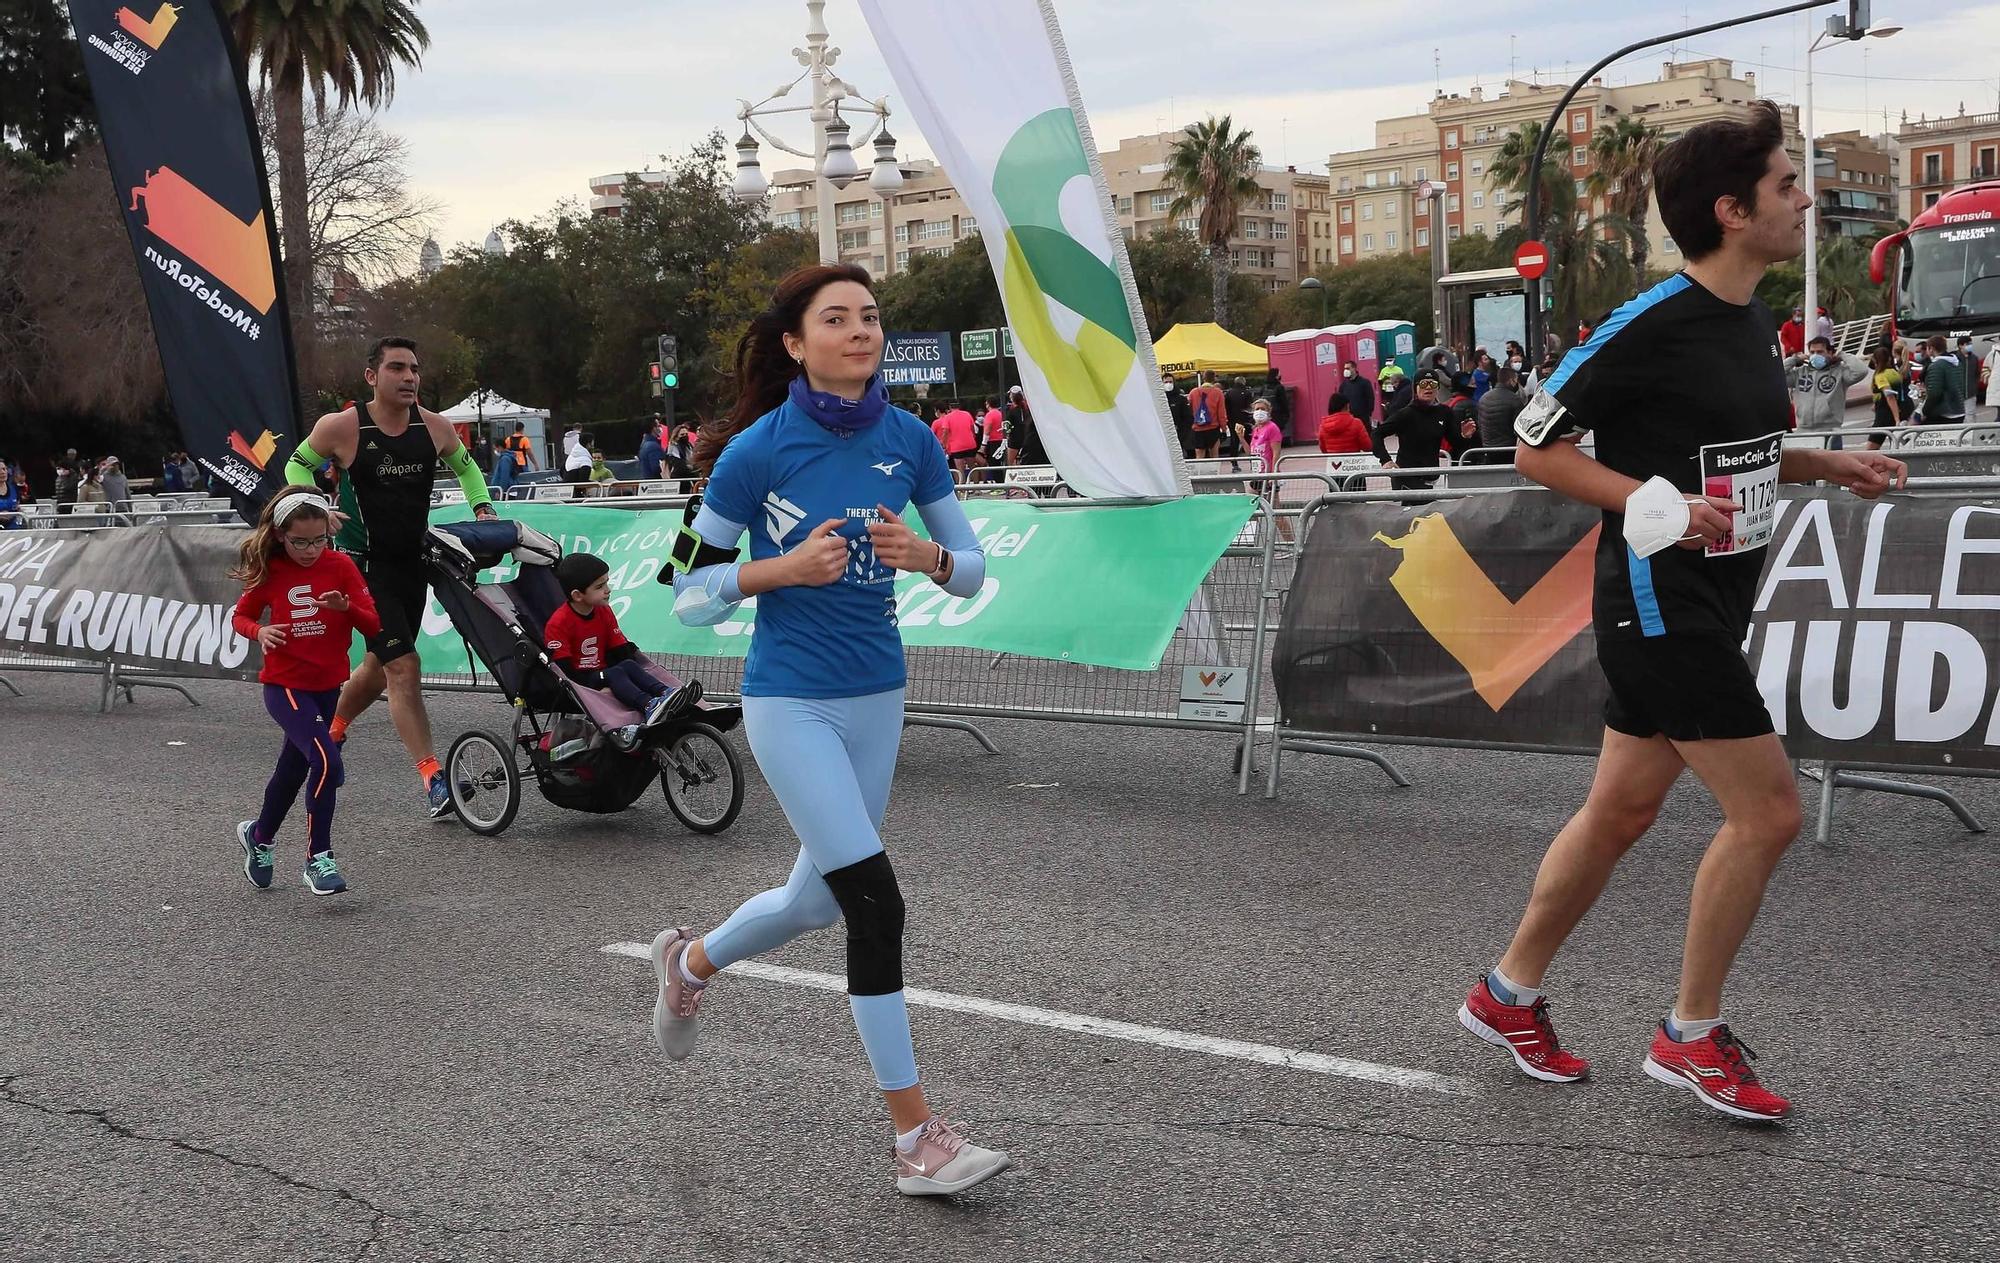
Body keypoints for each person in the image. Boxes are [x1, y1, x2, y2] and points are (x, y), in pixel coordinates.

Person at [1479, 100, 1906, 1122]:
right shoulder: (1647, 322)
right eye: (1784, 184)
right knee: (1765, 813)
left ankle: (1505, 995)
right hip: (1656, 600)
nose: (1802, 198)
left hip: (1715, 593)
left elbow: (1725, 449)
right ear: (1728, 209)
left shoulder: (1750, 313)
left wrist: (1820, 460)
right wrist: (1653, 509)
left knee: (1620, 810)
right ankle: (1688, 1034)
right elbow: (1534, 449)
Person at [655, 262, 1009, 1196]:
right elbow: (685, 593)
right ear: (795, 342)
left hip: (877, 696)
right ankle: (916, 1139)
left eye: (872, 317)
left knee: (816, 901)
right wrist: (776, 571)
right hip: (791, 700)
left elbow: (971, 568)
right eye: (837, 318)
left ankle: (689, 961)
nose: (861, 331)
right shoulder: (755, 453)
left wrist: (928, 556)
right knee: (876, 904)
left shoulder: (910, 438)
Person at [283, 335, 500, 818]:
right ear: (372, 377)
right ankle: (434, 777)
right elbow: (297, 464)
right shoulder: (344, 426)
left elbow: (467, 469)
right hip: (361, 568)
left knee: (381, 666)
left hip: (410, 565)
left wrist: (482, 506)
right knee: (405, 667)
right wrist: (316, 505)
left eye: (415, 369)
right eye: (397, 368)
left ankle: (333, 732)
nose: (409, 378)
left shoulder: (435, 427)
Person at [229, 488, 380, 896]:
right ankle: (318, 858)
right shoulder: (272, 568)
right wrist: (260, 631)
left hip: (329, 685)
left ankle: (259, 838)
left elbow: (373, 625)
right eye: (300, 542)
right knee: (328, 764)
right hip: (286, 686)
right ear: (280, 535)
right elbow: (240, 616)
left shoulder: (341, 565)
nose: (311, 550)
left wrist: (345, 607)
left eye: (319, 540)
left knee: (293, 770)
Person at [545, 552, 692, 738]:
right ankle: (648, 705)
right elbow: (564, 669)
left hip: (602, 673)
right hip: (580, 680)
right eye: (600, 586)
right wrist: (595, 690)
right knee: (615, 672)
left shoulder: (604, 611)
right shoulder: (559, 622)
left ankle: (666, 693)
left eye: (606, 582)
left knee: (629, 664)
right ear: (578, 595)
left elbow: (620, 649)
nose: (608, 589)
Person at [1372, 373, 1452, 488]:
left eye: (1433, 384)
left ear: (1438, 388)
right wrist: (1385, 460)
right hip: (1407, 478)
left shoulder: (1444, 412)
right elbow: (1377, 433)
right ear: (1415, 389)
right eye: (1423, 384)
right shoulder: (1406, 414)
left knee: (1431, 505)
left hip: (1431, 477)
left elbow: (1454, 439)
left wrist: (1465, 436)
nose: (1428, 388)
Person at [1784, 336, 1868, 439]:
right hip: (1803, 431)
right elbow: (1776, 374)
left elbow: (1861, 371)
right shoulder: (1800, 373)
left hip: (1830, 432)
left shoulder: (1840, 372)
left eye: (1820, 352)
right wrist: (1794, 359)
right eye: (1812, 352)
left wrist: (1842, 355)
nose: (1815, 355)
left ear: (1830, 352)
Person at [1475, 365, 1527, 459]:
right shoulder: (1514, 399)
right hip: (1509, 450)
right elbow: (1520, 428)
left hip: (1487, 449)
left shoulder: (1484, 398)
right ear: (1511, 380)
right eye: (1515, 380)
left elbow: (1480, 425)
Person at [1916, 334, 1966, 426]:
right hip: (1958, 409)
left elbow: (1934, 393)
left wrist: (1924, 411)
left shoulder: (1936, 366)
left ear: (1931, 349)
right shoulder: (1957, 363)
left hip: (1943, 413)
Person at [1867, 342, 1905, 448]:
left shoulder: (1880, 375)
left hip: (1885, 415)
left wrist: (1896, 419)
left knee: (1870, 449)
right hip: (1899, 410)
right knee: (1896, 446)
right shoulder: (1894, 372)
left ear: (1875, 360)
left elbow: (1890, 396)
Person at [933, 398, 980, 480]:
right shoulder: (967, 414)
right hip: (970, 444)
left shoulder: (948, 417)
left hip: (956, 446)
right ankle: (977, 489)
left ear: (950, 407)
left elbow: (945, 432)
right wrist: (972, 438)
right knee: (972, 467)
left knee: (960, 470)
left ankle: (962, 490)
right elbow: (973, 429)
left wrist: (943, 444)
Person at [1187, 371, 1227, 458]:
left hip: (1198, 429)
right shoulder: (1218, 393)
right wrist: (1223, 429)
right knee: (1214, 454)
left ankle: (1200, 471)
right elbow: (1221, 413)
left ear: (1203, 378)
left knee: (1199, 456)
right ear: (1214, 379)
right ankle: (1215, 471)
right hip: (1213, 428)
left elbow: (1189, 410)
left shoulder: (1193, 392)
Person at [1248, 397, 1283, 473]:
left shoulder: (1272, 428)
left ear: (1268, 412)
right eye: (1257, 409)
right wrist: (1241, 438)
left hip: (1268, 472)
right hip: (1257, 472)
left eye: (1263, 409)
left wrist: (1274, 474)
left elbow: (1276, 453)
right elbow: (1250, 453)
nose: (1259, 411)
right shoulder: (1256, 429)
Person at [1162, 374, 1194, 458]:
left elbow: (1188, 419)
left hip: (1179, 436)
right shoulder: (1158, 400)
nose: (1168, 384)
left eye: (1170, 382)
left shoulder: (1181, 399)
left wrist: (1180, 430)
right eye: (1166, 382)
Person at [0, 459, 23, 528]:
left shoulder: (14, 488)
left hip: (14, 530)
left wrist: (19, 511)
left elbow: (17, 507)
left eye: (4, 469)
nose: (2, 472)